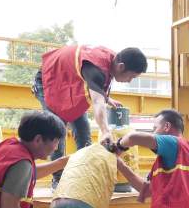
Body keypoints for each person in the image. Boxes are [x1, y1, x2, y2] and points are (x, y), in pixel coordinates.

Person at [32, 44, 148, 188]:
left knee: (82, 130)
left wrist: (106, 97)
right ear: (121, 66)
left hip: (71, 84)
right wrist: (106, 131)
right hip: (49, 80)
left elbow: (97, 91)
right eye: (131, 76)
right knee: (56, 130)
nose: (130, 81)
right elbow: (97, 102)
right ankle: (59, 179)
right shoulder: (96, 68)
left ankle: (82, 174)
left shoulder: (112, 60)